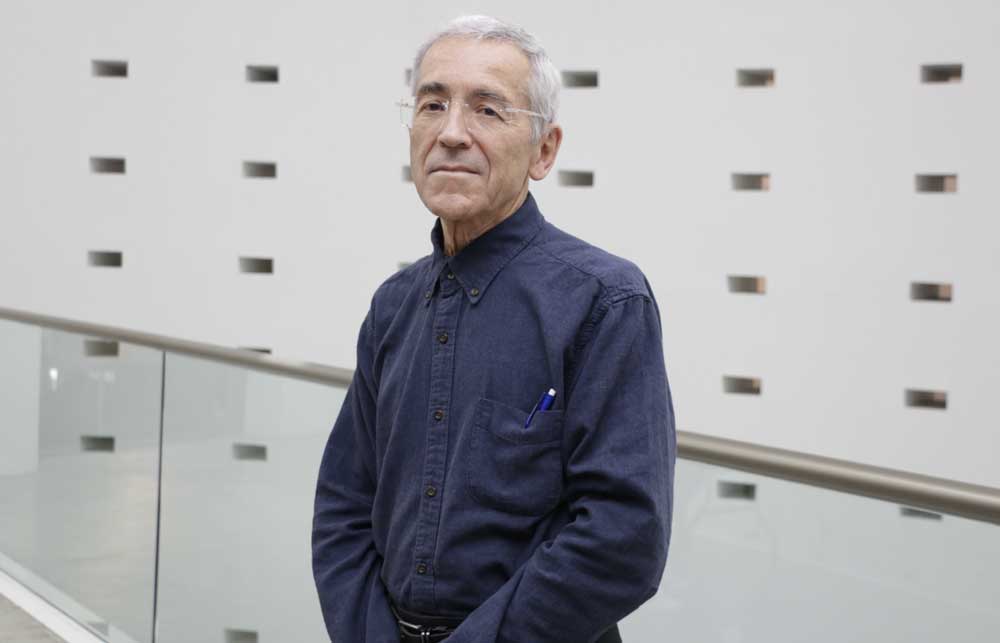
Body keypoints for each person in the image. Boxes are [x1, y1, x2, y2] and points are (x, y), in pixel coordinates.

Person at [312, 15, 676, 643]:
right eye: (432, 104)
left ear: (544, 151)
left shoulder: (604, 301)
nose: (451, 133)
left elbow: (624, 535)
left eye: (487, 110)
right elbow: (343, 508)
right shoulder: (393, 306)